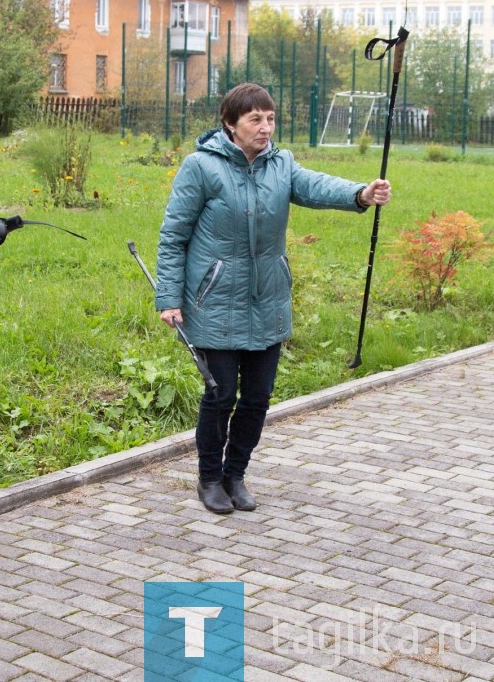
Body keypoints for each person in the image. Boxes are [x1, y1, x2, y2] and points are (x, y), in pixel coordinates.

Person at [154, 82, 390, 515]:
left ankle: (235, 473)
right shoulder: (200, 167)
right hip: (214, 300)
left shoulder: (281, 164)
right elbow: (173, 238)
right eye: (255, 119)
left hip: (267, 300)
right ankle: (209, 478)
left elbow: (316, 187)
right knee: (220, 396)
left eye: (271, 118)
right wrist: (169, 298)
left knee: (258, 398)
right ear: (230, 123)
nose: (266, 128)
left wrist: (360, 193)